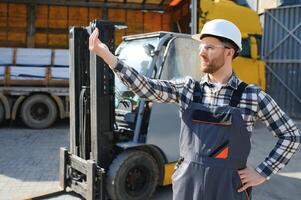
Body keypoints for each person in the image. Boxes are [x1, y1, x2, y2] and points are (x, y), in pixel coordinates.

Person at [89, 19, 300, 200]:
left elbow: (290, 135)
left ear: (229, 52)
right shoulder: (189, 89)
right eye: (201, 46)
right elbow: (147, 88)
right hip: (188, 185)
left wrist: (263, 172)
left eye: (209, 47)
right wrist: (109, 58)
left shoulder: (251, 96)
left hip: (229, 188)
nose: (201, 52)